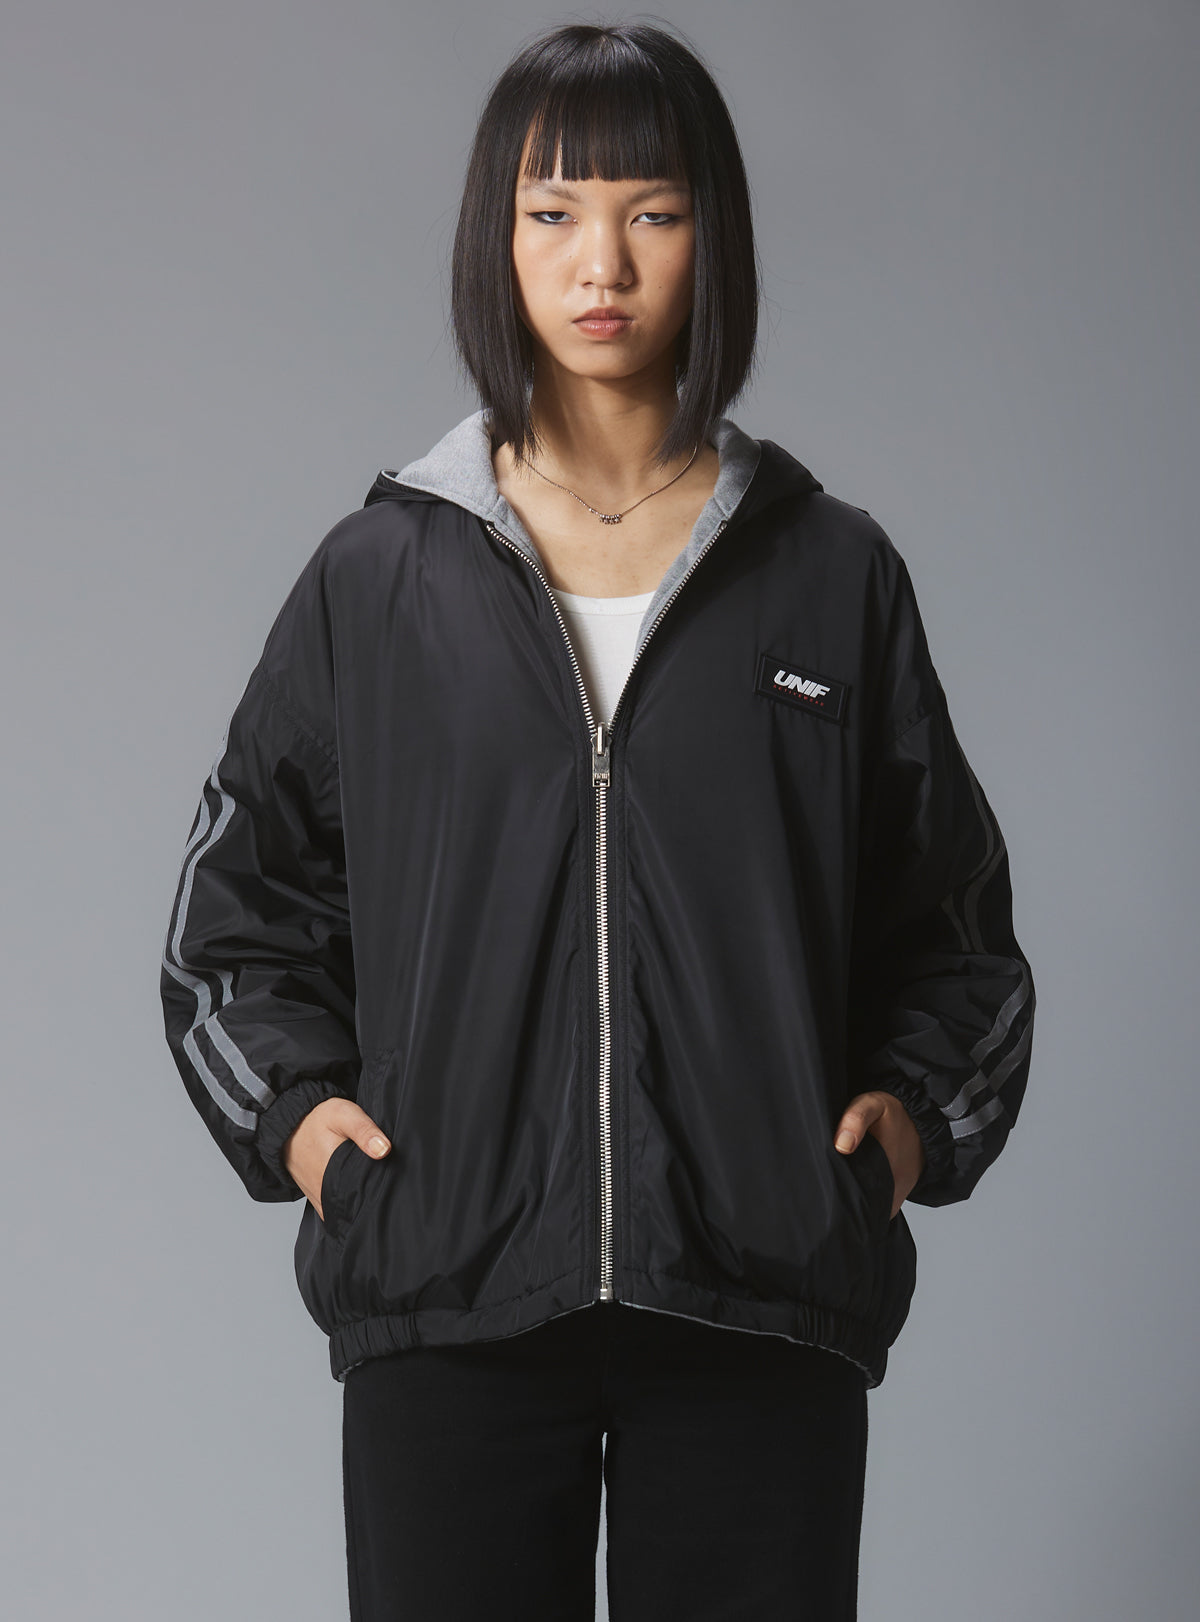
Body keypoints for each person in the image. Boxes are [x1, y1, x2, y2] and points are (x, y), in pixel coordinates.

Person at [159, 19, 1036, 1621]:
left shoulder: (831, 573)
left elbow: (959, 930)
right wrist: (307, 1130)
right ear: (496, 240)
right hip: (454, 1296)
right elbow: (230, 921)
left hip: (758, 1300)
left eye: (653, 210)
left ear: (714, 237)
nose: (602, 262)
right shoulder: (382, 579)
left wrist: (906, 1127)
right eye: (552, 211)